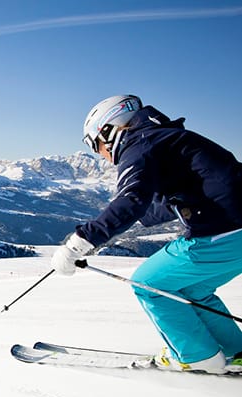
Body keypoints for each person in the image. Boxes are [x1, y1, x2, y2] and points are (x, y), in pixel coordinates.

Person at [51, 94, 242, 374]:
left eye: (96, 145)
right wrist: (130, 222)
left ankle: (195, 355)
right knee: (192, 289)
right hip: (233, 231)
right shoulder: (166, 138)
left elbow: (132, 200)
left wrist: (78, 244)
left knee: (148, 283)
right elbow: (183, 195)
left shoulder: (139, 144)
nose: (101, 154)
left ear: (108, 130)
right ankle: (234, 350)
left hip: (224, 233)